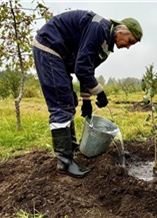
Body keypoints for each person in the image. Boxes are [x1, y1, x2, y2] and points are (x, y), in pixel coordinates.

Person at [32, 10, 143, 178]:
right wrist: (99, 91)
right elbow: (82, 68)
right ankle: (64, 161)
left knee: (69, 102)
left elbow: (86, 69)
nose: (127, 47)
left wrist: (86, 100)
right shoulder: (99, 28)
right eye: (129, 41)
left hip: (62, 57)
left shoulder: (105, 46)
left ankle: (72, 146)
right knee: (62, 105)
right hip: (50, 48)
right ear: (122, 31)